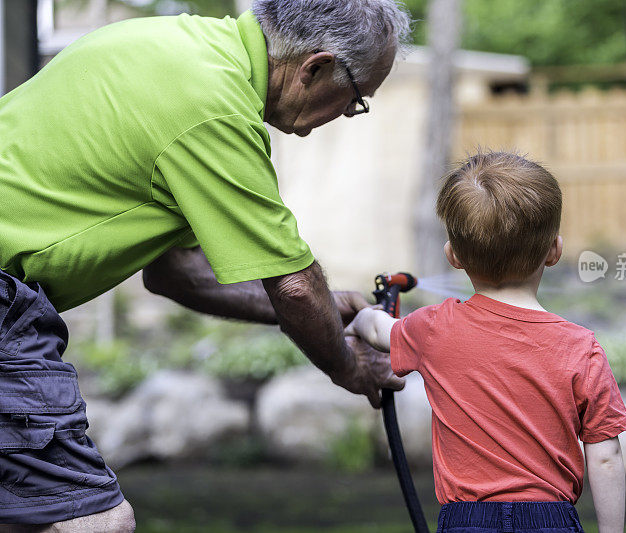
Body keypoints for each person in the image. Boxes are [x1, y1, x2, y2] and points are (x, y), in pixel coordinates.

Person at [0, 0, 410, 530]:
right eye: (355, 101)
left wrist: (329, 311)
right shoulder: (216, 108)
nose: (345, 117)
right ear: (316, 68)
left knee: (23, 516)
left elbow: (175, 273)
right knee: (94, 523)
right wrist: (347, 365)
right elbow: (292, 286)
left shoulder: (172, 48)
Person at [345, 151, 626, 533]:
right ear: (554, 251)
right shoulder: (580, 347)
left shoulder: (435, 328)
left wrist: (361, 317)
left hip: (467, 520)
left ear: (454, 257)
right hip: (551, 519)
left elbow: (381, 331)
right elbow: (606, 456)